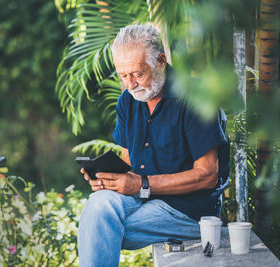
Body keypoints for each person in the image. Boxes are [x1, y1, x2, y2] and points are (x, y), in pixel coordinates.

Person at [78, 23, 230, 266]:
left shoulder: (195, 98)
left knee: (98, 229)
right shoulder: (128, 101)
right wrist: (108, 178)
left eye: (138, 74)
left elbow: (208, 176)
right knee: (98, 206)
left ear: (160, 60)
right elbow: (129, 161)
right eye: (123, 75)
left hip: (188, 210)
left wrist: (142, 183)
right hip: (143, 196)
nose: (130, 85)